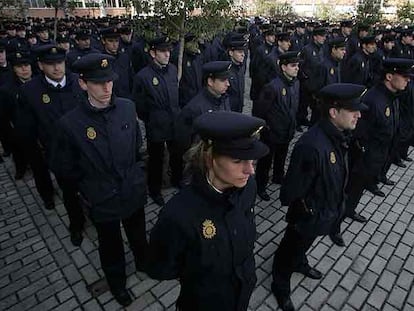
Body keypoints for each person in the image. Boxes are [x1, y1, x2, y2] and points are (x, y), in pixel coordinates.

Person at [147, 111, 269, 311]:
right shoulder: (178, 214)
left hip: (242, 292)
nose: (250, 170)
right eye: (238, 161)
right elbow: (161, 268)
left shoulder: (248, 187)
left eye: (251, 160)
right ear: (210, 158)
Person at [53, 53, 148, 307]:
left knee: (138, 234)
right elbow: (66, 168)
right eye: (97, 82)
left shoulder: (127, 107)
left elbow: (137, 146)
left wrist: (138, 175)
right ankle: (117, 283)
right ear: (83, 84)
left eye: (109, 81)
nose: (106, 88)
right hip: (102, 198)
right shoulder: (70, 124)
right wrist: (89, 191)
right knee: (111, 246)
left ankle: (143, 263)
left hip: (131, 189)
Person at [271, 83, 368, 311]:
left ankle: (300, 261)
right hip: (307, 216)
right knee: (290, 248)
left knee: (304, 245)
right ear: (334, 112)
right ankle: (280, 282)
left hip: (323, 213)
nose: (359, 114)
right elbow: (291, 190)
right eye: (353, 110)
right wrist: (306, 211)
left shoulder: (338, 135)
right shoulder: (311, 145)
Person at [16, 44, 85, 246]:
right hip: (60, 154)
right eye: (50, 64)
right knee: (70, 194)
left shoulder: (78, 81)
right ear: (40, 65)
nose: (57, 68)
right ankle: (77, 225)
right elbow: (27, 129)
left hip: (86, 149)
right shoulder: (30, 91)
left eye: (60, 62)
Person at [346, 58, 414, 218]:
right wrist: (363, 158)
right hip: (365, 158)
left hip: (378, 155)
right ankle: (337, 224)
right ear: (389, 77)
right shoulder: (373, 99)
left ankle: (349, 210)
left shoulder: (393, 95)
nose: (408, 79)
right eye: (404, 76)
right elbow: (358, 135)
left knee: (359, 188)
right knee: (352, 188)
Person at [132, 35, 181, 206]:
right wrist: (152, 118)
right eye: (162, 51)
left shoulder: (173, 70)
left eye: (168, 50)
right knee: (156, 159)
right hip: (156, 124)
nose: (167, 54)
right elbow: (140, 107)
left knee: (176, 154)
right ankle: (155, 190)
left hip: (174, 121)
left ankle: (177, 180)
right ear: (153, 53)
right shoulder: (142, 76)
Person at [254, 51, 300, 201]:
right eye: (293, 65)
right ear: (283, 67)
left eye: (297, 65)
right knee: (265, 162)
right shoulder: (272, 87)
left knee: (281, 156)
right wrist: (265, 129)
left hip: (286, 131)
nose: (297, 68)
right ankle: (260, 186)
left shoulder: (295, 83)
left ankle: (278, 177)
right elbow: (260, 111)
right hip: (272, 133)